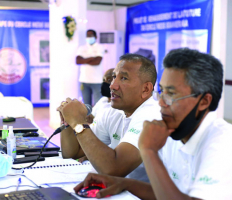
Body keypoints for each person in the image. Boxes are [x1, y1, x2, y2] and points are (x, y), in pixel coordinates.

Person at [73, 48, 232, 200]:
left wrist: (148, 152)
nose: (162, 102)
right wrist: (120, 183)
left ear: (204, 102)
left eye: (171, 94)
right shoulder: (174, 132)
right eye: (162, 91)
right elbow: (168, 194)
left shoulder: (225, 143)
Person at [57, 54, 161, 182]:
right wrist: (68, 121)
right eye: (114, 77)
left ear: (146, 89)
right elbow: (73, 153)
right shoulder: (113, 112)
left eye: (123, 78)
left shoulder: (152, 117)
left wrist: (78, 123)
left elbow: (113, 169)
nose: (112, 85)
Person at [76, 29, 104, 105]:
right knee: (86, 106)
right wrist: (91, 58)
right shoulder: (82, 48)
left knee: (98, 105)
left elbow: (97, 62)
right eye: (87, 36)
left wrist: (84, 60)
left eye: (91, 35)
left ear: (96, 37)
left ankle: (97, 117)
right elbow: (78, 61)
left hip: (96, 81)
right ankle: (88, 117)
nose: (89, 37)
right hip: (84, 80)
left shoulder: (100, 47)